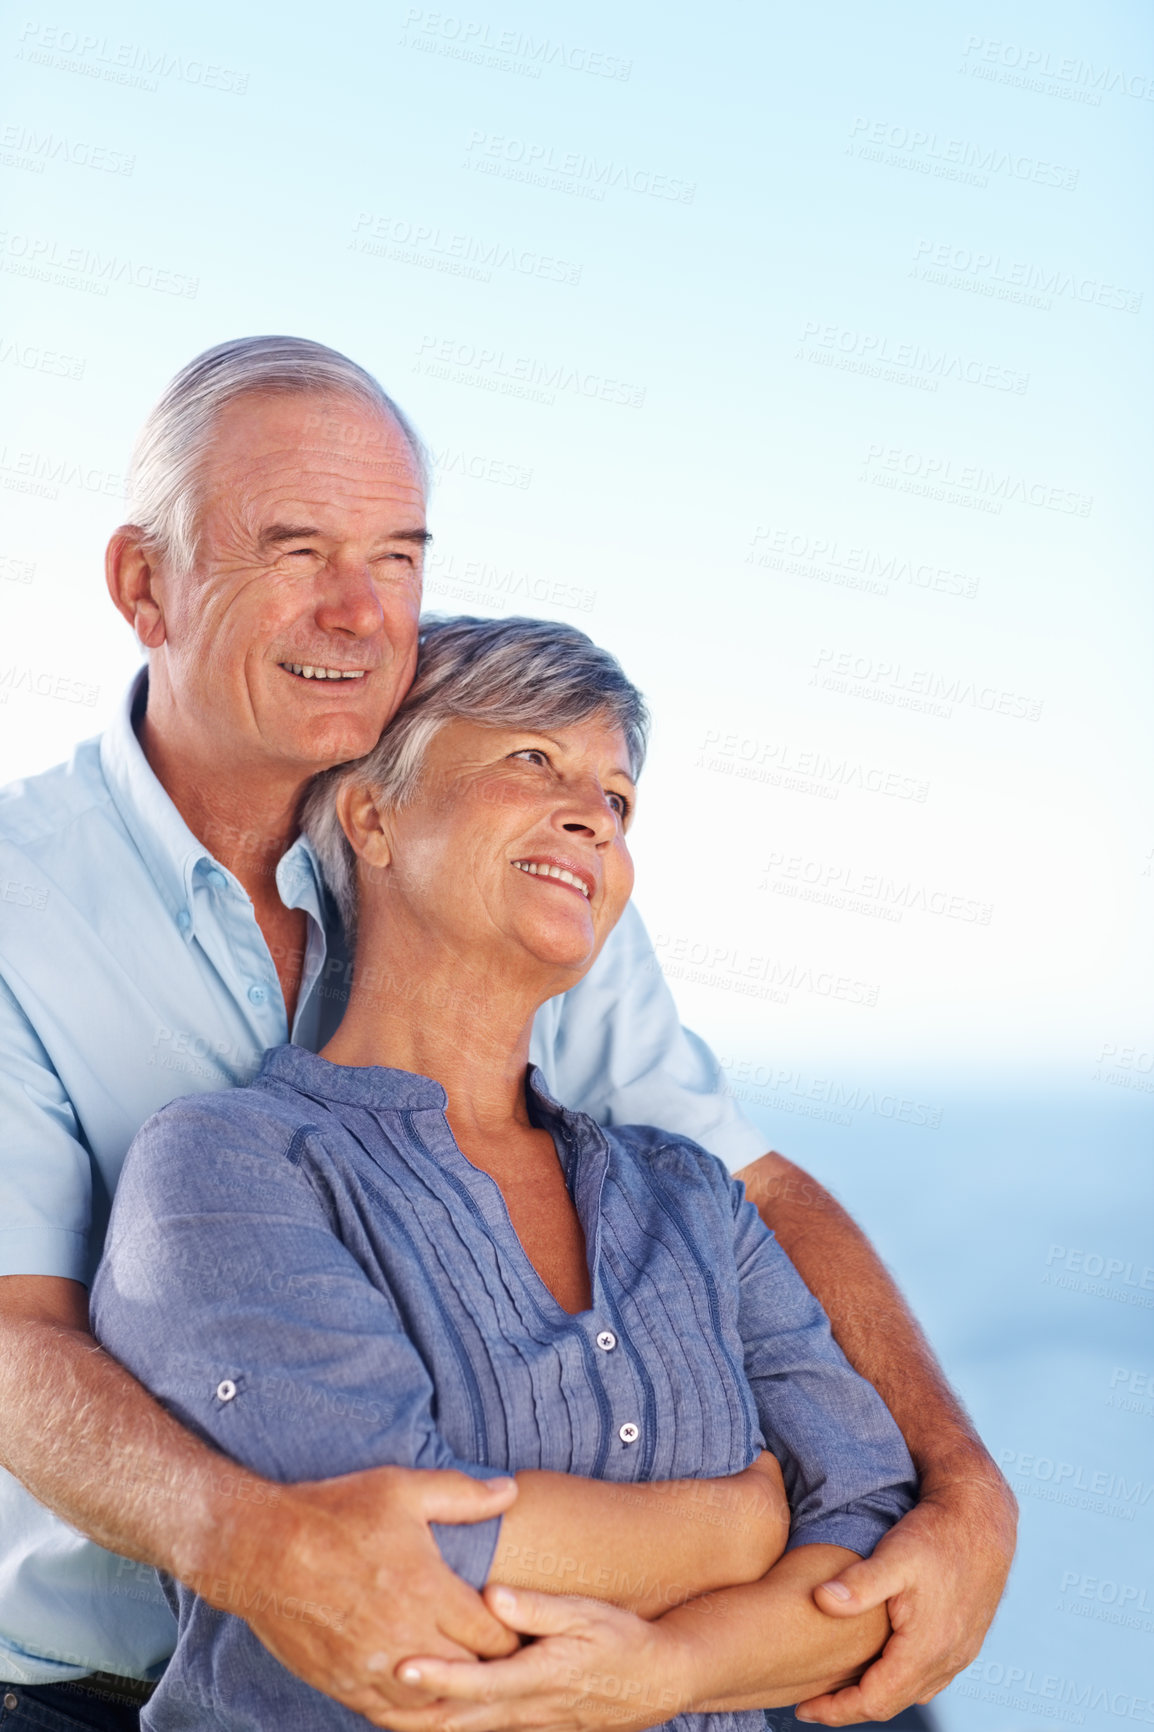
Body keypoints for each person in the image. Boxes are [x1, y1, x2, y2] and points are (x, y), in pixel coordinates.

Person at [0, 337, 1015, 1732]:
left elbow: (749, 1199)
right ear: (143, 584)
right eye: (295, 548)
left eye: (400, 556)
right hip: (105, 1678)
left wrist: (960, 1489)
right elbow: (11, 1341)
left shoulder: (526, 886)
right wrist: (253, 1544)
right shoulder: (32, 913)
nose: (360, 611)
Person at [91, 615, 919, 1732]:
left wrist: (665, 1672)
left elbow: (873, 1550)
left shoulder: (691, 1197)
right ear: (372, 816)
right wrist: (739, 1532)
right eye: (532, 760)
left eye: (616, 799)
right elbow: (395, 1567)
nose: (590, 811)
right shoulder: (232, 1164)